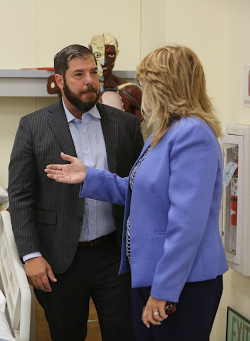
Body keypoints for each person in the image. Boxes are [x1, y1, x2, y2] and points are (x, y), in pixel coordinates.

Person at [45, 45, 229, 340]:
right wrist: (88, 176)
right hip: (153, 274)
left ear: (166, 86)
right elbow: (140, 190)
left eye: (147, 84)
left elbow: (187, 225)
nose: (144, 93)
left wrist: (164, 292)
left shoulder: (192, 134)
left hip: (182, 282)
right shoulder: (165, 131)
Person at [8, 44, 143, 340]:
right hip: (60, 259)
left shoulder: (126, 125)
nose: (89, 81)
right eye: (78, 74)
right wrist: (31, 254)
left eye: (93, 73)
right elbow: (20, 196)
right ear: (59, 81)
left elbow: (139, 190)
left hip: (115, 255)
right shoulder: (33, 127)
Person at [89, 33, 143, 120]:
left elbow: (138, 126)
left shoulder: (129, 90)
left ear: (116, 54)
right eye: (97, 55)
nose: (104, 62)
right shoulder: (78, 89)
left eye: (110, 55)